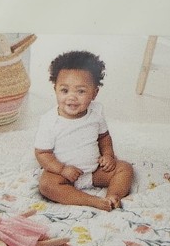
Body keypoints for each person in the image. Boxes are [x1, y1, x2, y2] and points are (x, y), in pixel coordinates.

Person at [33, 50, 133, 210]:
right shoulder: (50, 121)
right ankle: (93, 201)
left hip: (94, 172)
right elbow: (42, 153)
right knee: (46, 185)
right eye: (65, 90)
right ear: (55, 89)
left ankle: (113, 197)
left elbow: (104, 137)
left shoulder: (96, 113)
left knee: (125, 168)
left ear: (94, 93)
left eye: (81, 91)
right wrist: (62, 169)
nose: (72, 97)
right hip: (63, 175)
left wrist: (108, 155)